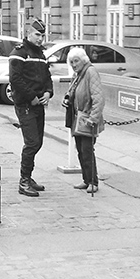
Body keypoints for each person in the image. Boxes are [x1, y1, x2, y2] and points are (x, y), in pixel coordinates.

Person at [9, 17, 53, 197]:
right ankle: (24, 181)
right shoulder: (19, 52)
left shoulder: (41, 55)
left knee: (38, 142)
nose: (40, 38)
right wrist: (32, 97)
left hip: (38, 104)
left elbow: (47, 77)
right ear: (28, 33)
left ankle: (28, 176)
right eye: (37, 34)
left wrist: (49, 92)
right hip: (26, 104)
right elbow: (15, 79)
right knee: (32, 142)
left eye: (42, 35)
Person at [63, 47, 104, 194]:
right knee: (80, 150)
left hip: (87, 119)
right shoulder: (78, 74)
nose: (74, 64)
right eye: (71, 62)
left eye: (76, 61)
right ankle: (86, 180)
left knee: (87, 150)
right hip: (78, 118)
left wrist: (94, 118)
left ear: (83, 60)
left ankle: (93, 181)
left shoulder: (90, 72)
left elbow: (98, 98)